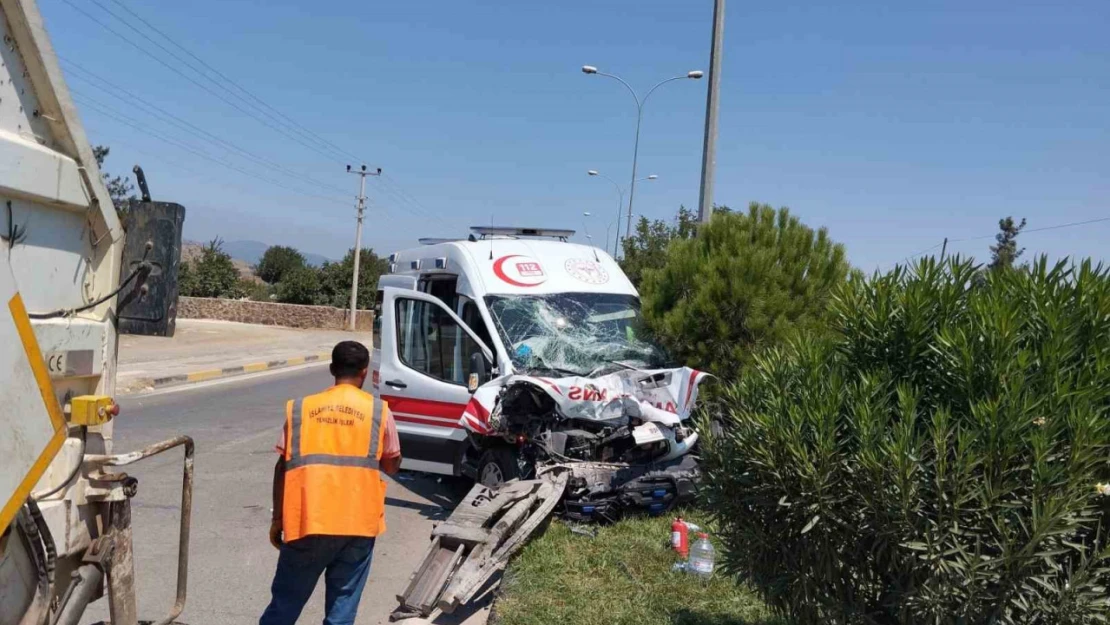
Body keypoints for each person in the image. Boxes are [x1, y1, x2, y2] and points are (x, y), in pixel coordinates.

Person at [259, 341, 402, 625]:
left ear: (332, 369)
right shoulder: (379, 412)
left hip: (308, 521)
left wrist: (278, 518)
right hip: (357, 525)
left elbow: (282, 468)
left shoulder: (301, 409)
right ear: (364, 372)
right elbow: (392, 464)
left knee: (284, 605)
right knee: (342, 609)